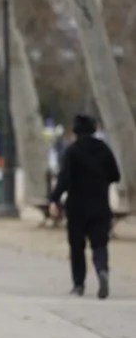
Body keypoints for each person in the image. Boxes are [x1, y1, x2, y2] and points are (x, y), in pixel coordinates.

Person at [49, 114, 121, 299]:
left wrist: (54, 199)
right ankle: (101, 269)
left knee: (77, 246)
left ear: (75, 131)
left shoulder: (72, 151)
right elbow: (115, 175)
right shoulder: (104, 149)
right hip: (100, 205)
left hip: (77, 206)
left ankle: (79, 284)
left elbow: (64, 180)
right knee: (100, 243)